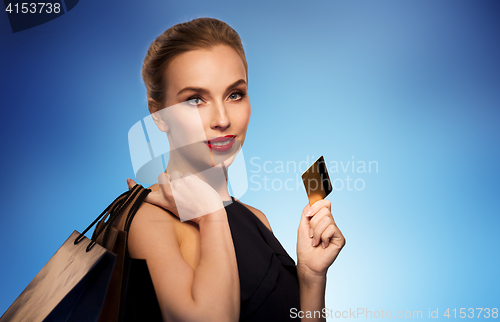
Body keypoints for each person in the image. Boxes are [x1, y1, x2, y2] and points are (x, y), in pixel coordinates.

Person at [124, 17, 345, 322]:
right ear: (158, 115)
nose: (222, 119)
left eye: (234, 94)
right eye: (195, 100)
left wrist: (310, 277)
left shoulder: (256, 219)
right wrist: (212, 215)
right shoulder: (147, 219)